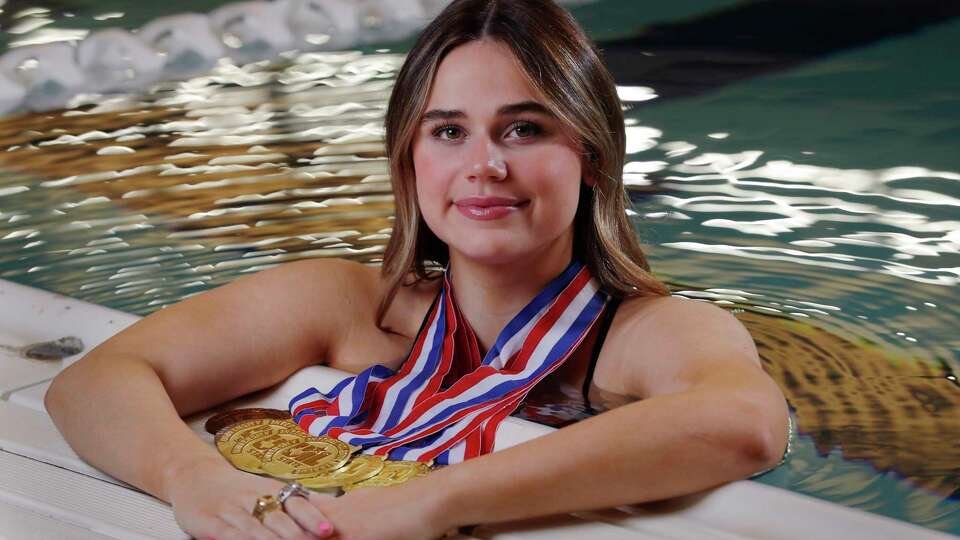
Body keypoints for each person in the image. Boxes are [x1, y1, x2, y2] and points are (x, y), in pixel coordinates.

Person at [45, 1, 791, 539]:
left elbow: (746, 425)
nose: (485, 165)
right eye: (448, 132)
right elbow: (96, 381)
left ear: (591, 158)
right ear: (410, 164)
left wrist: (429, 500)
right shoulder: (343, 304)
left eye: (524, 128)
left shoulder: (643, 334)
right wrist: (196, 479)